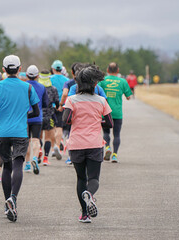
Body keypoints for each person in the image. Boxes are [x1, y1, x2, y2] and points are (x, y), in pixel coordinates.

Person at [0, 55, 40, 222]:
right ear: (20, 68)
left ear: (3, 69)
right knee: (18, 164)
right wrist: (25, 114)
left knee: (6, 165)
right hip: (20, 132)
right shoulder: (27, 88)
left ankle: (7, 200)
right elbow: (36, 112)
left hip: (2, 132)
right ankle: (13, 199)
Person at [62, 65, 112, 223]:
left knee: (81, 179)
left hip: (76, 144)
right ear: (95, 84)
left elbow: (66, 119)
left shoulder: (71, 100)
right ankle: (90, 195)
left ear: (77, 84)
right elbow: (109, 123)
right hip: (95, 143)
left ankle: (84, 214)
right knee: (94, 178)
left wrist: (77, 119)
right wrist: (97, 121)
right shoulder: (101, 101)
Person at [98, 62, 132, 163]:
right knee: (116, 134)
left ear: (107, 70)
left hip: (105, 113)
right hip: (117, 113)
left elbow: (96, 92)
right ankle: (115, 155)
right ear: (118, 70)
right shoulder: (123, 81)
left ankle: (107, 147)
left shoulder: (102, 81)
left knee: (106, 133)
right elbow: (128, 97)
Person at [24, 65, 48, 173]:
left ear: (26, 75)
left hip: (25, 117)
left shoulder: (23, 86)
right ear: (37, 76)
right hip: (37, 117)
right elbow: (46, 103)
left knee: (27, 140)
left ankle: (27, 163)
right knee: (36, 139)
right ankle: (35, 158)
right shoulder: (42, 87)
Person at [39, 70, 59, 166]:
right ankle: (45, 158)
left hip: (37, 116)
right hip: (49, 115)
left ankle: (38, 150)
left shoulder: (37, 88)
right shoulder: (53, 89)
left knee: (37, 137)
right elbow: (57, 101)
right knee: (47, 138)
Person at [50, 60, 69, 160]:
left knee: (52, 127)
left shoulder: (50, 79)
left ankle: (53, 148)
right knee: (60, 127)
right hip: (62, 106)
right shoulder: (66, 79)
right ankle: (58, 145)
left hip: (51, 106)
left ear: (53, 69)